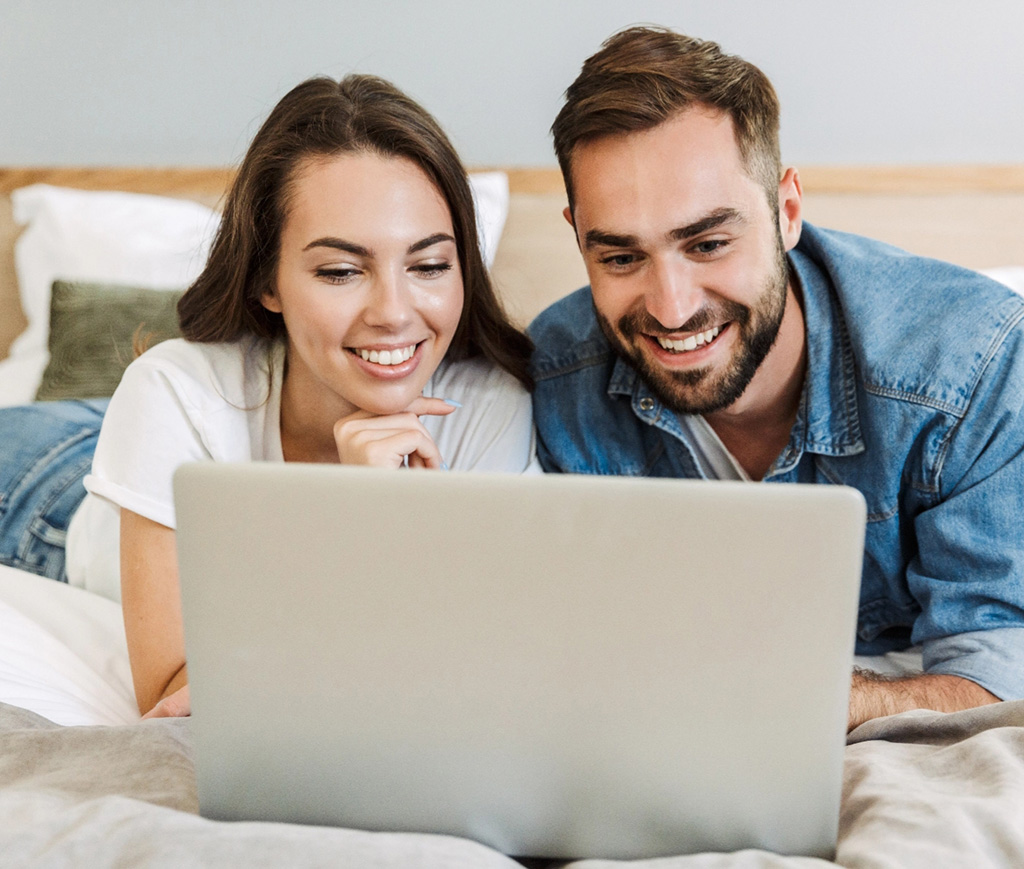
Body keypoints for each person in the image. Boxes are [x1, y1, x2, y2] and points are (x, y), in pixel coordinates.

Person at [529, 26, 1024, 730]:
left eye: (707, 244)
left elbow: (1000, 676)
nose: (671, 308)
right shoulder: (551, 378)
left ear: (786, 211)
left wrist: (805, 697)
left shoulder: (972, 368)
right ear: (577, 235)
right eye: (619, 258)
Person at [0, 74, 538, 718]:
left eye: (428, 266)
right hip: (46, 492)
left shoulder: (489, 409)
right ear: (267, 282)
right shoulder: (172, 392)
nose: (395, 314)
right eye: (340, 271)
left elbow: (464, 663)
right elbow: (174, 701)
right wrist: (349, 517)